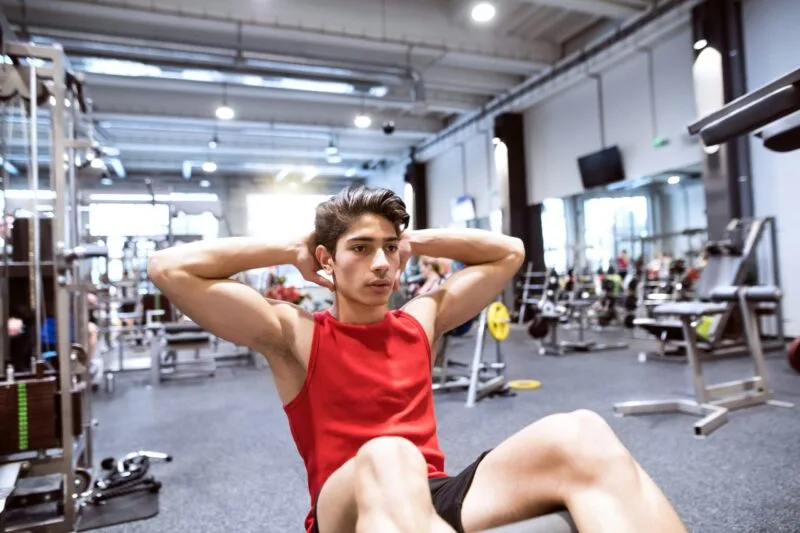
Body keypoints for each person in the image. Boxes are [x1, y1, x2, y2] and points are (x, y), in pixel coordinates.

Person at [148, 186, 687, 533]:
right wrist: (288, 250)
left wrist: (413, 239)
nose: (381, 264)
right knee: (390, 454)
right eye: (360, 248)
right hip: (348, 505)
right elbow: (170, 268)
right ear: (325, 261)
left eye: (389, 249)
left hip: (432, 498)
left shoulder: (418, 320)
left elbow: (511, 252)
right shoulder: (294, 333)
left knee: (582, 431)